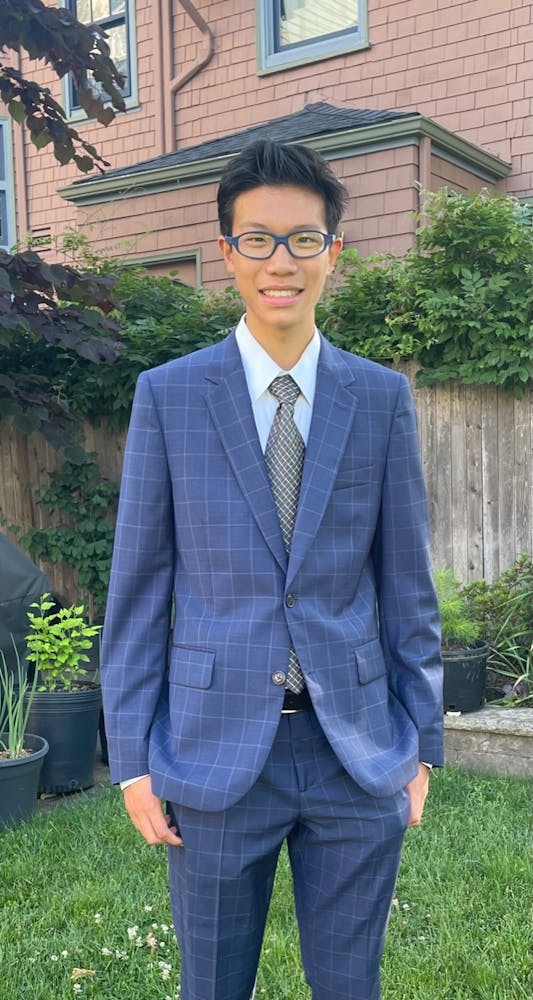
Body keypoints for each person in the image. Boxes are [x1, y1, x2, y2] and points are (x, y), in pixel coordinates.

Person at [101, 138, 443, 1000]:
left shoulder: (379, 399)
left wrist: (422, 745)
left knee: (348, 985)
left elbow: (407, 583)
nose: (279, 261)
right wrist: (134, 761)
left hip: (355, 749)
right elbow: (138, 591)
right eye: (257, 239)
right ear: (226, 253)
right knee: (211, 985)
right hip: (211, 753)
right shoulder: (169, 396)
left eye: (302, 239)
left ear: (333, 251)